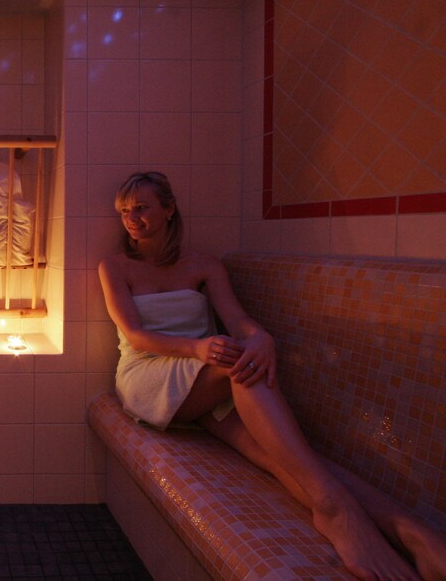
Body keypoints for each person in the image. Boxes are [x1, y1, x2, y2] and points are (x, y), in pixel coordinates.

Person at [98, 171, 445, 581]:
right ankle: (336, 511)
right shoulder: (115, 266)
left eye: (141, 208)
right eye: (124, 211)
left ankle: (410, 532)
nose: (132, 218)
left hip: (205, 377)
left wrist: (261, 337)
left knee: (282, 456)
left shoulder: (204, 265)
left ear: (169, 209)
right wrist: (196, 348)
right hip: (150, 374)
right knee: (241, 367)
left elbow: (237, 319)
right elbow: (135, 336)